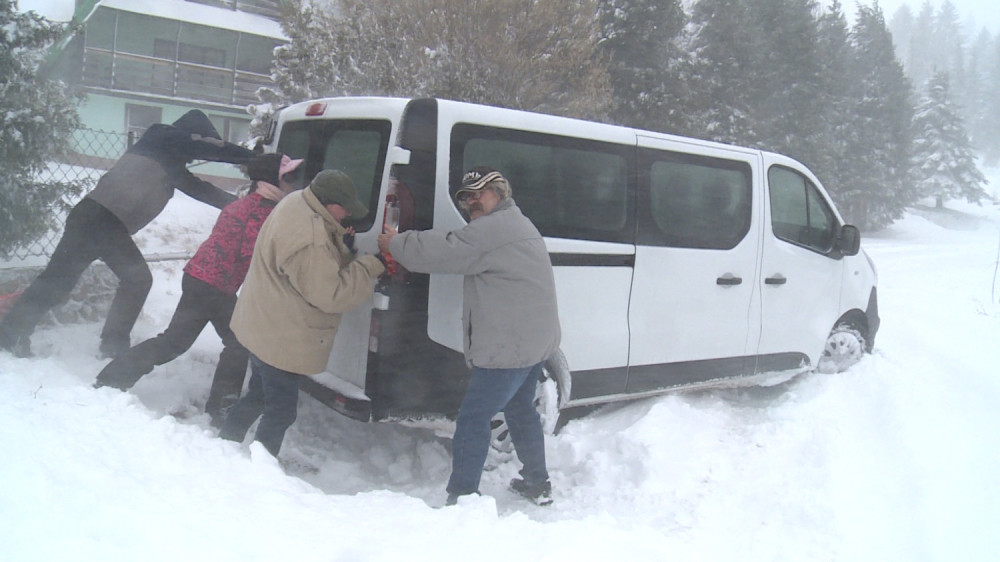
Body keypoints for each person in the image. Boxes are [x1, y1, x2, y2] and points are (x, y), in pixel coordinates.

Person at [0, 110, 254, 359]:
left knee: (58, 282)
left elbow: (202, 190)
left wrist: (246, 207)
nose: (193, 158)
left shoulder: (169, 161)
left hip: (93, 220)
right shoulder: (161, 135)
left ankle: (12, 333)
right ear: (194, 136)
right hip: (102, 221)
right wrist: (255, 159)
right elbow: (208, 149)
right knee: (136, 279)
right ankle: (112, 344)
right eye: (200, 143)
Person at [377, 166, 561, 506]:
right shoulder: (516, 222)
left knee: (474, 417)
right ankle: (537, 481)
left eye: (479, 193)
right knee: (520, 407)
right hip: (533, 340)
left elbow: (446, 250)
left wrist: (396, 242)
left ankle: (462, 497)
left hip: (511, 346)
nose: (472, 202)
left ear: (500, 193)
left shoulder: (495, 229)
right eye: (466, 198)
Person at [93, 153, 304, 424]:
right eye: (290, 177)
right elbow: (256, 256)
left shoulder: (253, 205)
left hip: (206, 280)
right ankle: (219, 407)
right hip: (211, 285)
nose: (295, 183)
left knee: (215, 341)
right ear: (273, 181)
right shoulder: (260, 212)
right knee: (200, 342)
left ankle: (114, 378)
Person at [219, 169, 386, 457]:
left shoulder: (297, 201)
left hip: (263, 326)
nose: (346, 215)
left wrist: (341, 249)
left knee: (258, 397)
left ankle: (224, 446)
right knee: (281, 412)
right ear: (327, 201)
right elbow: (330, 293)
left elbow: (309, 266)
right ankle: (259, 469)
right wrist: (370, 265)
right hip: (281, 338)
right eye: (343, 208)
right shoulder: (309, 237)